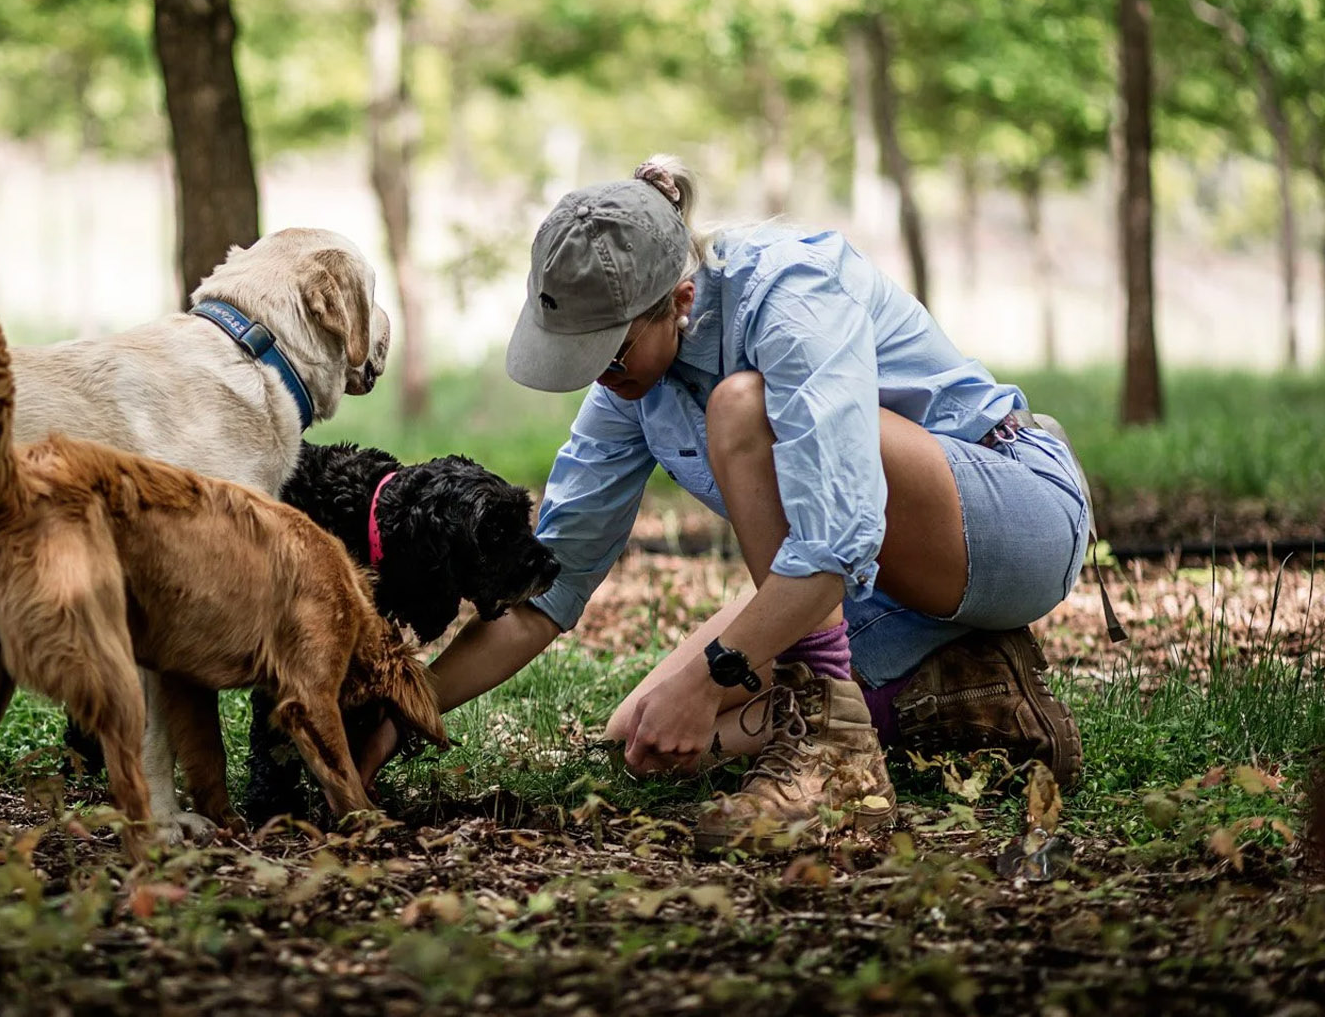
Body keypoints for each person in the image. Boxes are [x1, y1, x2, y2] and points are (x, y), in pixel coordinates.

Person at [358, 155, 1090, 852]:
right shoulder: (631, 384)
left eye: (610, 352)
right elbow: (548, 589)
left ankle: (836, 759)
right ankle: (963, 691)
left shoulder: (790, 295)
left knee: (743, 407)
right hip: (879, 581)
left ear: (679, 300)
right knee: (641, 738)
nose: (600, 377)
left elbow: (837, 538)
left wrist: (707, 676)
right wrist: (402, 707)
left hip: (1010, 518)